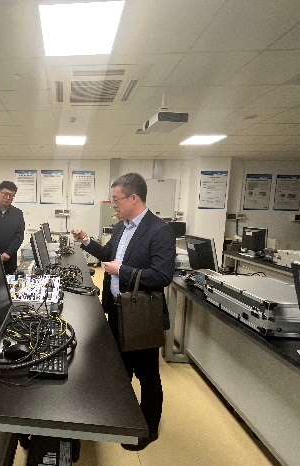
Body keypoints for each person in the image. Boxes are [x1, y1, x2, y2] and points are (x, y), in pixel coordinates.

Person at [71, 173, 175, 451]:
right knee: (121, 368)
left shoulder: (159, 230)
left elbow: (162, 276)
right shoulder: (121, 227)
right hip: (117, 309)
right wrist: (87, 242)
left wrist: (123, 270)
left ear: (134, 198)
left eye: (116, 200)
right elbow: (108, 255)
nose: (113, 205)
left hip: (141, 315)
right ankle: (122, 417)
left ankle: (149, 428)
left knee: (147, 374)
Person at [0, 181, 25, 275]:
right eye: (5, 194)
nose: (8, 198)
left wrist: (8, 253)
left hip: (9, 259)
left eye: (11, 196)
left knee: (10, 282)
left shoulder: (17, 213)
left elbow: (19, 236)